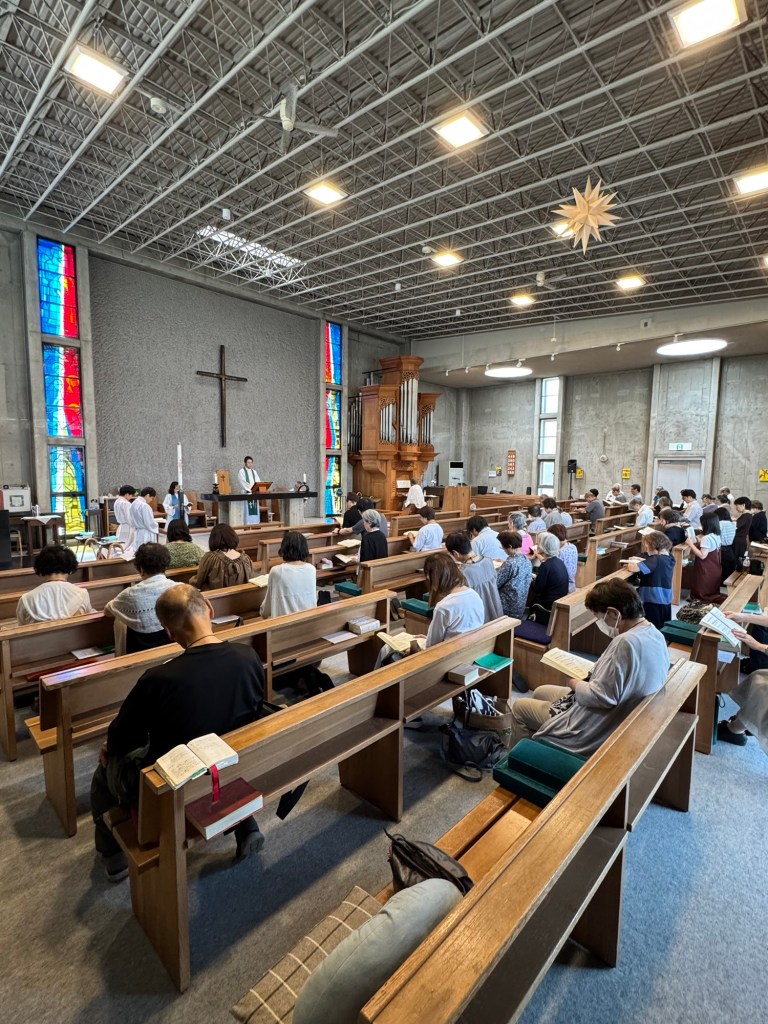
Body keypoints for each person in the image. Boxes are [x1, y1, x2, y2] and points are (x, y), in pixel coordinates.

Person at [90, 584, 265, 881]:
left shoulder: (158, 679)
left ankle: (114, 855)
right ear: (209, 609)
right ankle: (246, 825)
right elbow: (254, 712)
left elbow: (123, 739)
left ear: (169, 632)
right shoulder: (248, 657)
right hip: (232, 763)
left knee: (103, 771)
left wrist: (110, 747)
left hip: (175, 785)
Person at [508, 578, 668, 756]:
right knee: (540, 691)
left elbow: (602, 697)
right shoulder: (654, 632)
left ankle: (520, 759)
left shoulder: (625, 642)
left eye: (600, 618)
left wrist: (574, 683)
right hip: (619, 708)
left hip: (598, 722)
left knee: (520, 707)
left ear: (614, 613)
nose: (601, 623)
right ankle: (539, 745)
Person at [104, 542, 180, 653]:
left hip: (140, 651)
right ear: (165, 565)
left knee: (120, 620)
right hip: (173, 649)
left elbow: (108, 611)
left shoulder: (130, 594)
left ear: (141, 569)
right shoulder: (179, 588)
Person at [16, 544, 92, 624]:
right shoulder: (82, 594)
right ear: (70, 569)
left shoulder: (26, 599)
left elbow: (21, 625)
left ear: (41, 569)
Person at [423, 551, 484, 647]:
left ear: (432, 577)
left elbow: (432, 646)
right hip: (476, 647)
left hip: (453, 653)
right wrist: (427, 639)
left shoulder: (443, 606)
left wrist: (421, 645)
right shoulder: (474, 595)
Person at [445, 531, 503, 622]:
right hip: (497, 614)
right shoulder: (488, 561)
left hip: (479, 620)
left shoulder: (461, 573)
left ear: (455, 553)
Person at [261, 531, 317, 618]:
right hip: (308, 620)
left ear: (284, 548)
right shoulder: (311, 569)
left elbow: (268, 602)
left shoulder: (277, 571)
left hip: (284, 623)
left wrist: (263, 613)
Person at [628, 529, 674, 628]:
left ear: (654, 546)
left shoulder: (656, 559)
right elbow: (653, 562)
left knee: (652, 626)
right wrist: (640, 559)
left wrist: (631, 562)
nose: (647, 551)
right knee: (663, 625)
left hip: (653, 599)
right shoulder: (670, 557)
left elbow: (633, 568)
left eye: (647, 547)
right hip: (665, 598)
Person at [192, 523, 255, 590]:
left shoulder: (210, 558)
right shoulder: (246, 559)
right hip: (243, 596)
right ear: (233, 537)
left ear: (213, 539)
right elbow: (252, 580)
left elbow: (198, 582)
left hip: (215, 596)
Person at [528, 531, 569, 623]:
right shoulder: (559, 561)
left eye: (539, 543)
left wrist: (529, 580)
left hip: (548, 605)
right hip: (560, 599)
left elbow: (537, 589)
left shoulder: (546, 565)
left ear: (543, 548)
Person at [685, 512, 723, 603]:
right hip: (715, 567)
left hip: (706, 567)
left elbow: (702, 555)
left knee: (701, 585)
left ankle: (699, 599)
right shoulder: (716, 535)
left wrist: (690, 544)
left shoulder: (707, 538)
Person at [496, 531, 533, 619]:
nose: (503, 549)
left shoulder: (510, 563)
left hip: (507, 606)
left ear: (510, 546)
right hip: (520, 605)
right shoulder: (526, 560)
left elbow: (495, 584)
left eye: (503, 547)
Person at [549, 523, 577, 594]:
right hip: (572, 584)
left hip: (563, 587)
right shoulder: (573, 546)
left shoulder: (560, 552)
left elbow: (554, 571)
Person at [715, 505, 737, 583]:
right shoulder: (733, 523)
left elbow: (716, 534)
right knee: (728, 569)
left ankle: (721, 583)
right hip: (730, 549)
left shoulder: (720, 523)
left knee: (721, 568)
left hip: (722, 549)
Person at [113, 485, 136, 556]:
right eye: (131, 495)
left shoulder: (117, 501)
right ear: (127, 494)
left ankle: (118, 557)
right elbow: (129, 517)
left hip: (121, 526)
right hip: (128, 527)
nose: (131, 497)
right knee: (126, 546)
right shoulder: (126, 503)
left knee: (121, 544)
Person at [238, 455, 261, 525]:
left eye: (251, 462)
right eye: (248, 462)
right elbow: (242, 481)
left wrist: (257, 488)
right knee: (247, 511)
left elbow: (258, 481)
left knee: (255, 509)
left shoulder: (254, 472)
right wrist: (250, 489)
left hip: (254, 493)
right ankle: (247, 524)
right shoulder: (241, 471)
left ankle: (255, 523)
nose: (250, 464)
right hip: (246, 493)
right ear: (245, 463)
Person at [732, 496, 753, 562]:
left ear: (743, 505)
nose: (736, 507)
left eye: (737, 505)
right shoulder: (747, 515)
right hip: (740, 540)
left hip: (738, 542)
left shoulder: (746, 516)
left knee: (736, 561)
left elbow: (735, 526)